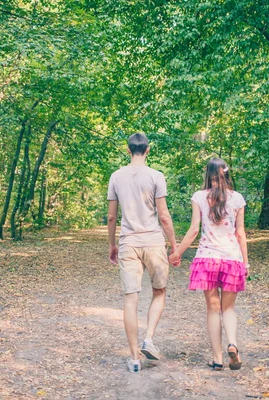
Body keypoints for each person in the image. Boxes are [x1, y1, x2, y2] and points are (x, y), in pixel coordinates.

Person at [168, 157, 249, 371]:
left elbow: (194, 230)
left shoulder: (199, 197)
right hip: (232, 258)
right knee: (229, 308)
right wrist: (246, 263)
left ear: (208, 174)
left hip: (207, 259)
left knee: (213, 309)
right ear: (227, 174)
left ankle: (218, 359)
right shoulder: (238, 198)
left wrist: (177, 253)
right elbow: (240, 233)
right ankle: (233, 343)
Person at [107, 133, 178, 373]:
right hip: (154, 242)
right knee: (159, 292)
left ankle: (135, 359)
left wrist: (112, 245)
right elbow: (164, 215)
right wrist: (175, 246)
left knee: (130, 298)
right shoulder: (156, 176)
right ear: (148, 150)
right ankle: (149, 338)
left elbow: (111, 216)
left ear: (128, 150)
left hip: (128, 242)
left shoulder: (116, 176)